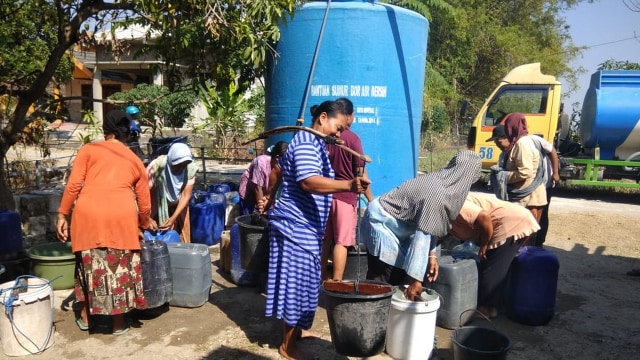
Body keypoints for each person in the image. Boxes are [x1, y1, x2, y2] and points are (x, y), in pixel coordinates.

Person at [259, 100, 370, 360]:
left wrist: (270, 194)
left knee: (305, 284)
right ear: (322, 118)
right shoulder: (308, 143)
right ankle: (288, 347)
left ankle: (296, 332)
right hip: (296, 228)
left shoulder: (314, 143)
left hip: (304, 227)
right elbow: (308, 182)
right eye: (339, 127)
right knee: (296, 286)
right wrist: (348, 186)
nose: (340, 134)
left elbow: (279, 169)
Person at [56, 110, 156, 335]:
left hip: (87, 217)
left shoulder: (89, 150)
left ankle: (86, 318)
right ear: (128, 135)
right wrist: (141, 224)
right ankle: (118, 324)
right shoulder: (134, 159)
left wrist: (62, 214)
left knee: (89, 266)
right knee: (119, 269)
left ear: (105, 131)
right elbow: (145, 203)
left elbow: (73, 186)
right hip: (121, 218)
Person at [360, 150, 481, 301]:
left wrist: (432, 255)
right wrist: (416, 279)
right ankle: (369, 313)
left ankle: (385, 315)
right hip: (381, 224)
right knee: (382, 278)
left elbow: (432, 226)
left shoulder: (444, 188)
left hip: (399, 229)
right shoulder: (437, 192)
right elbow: (421, 238)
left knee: (397, 276)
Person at [449, 192, 541, 318]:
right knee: (496, 264)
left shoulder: (455, 203)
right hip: (509, 219)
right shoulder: (446, 202)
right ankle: (499, 303)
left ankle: (488, 308)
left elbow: (484, 217)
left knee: (492, 268)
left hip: (510, 222)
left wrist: (485, 244)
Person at [321, 97, 374, 281]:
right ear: (348, 116)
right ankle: (336, 282)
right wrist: (371, 200)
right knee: (342, 242)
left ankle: (321, 276)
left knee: (325, 239)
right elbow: (360, 174)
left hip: (325, 194)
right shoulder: (353, 139)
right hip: (345, 198)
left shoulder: (326, 137)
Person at [488, 113, 547, 223]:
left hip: (529, 198)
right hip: (526, 197)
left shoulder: (522, 143)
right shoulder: (519, 142)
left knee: (524, 235)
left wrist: (502, 176)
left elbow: (525, 172)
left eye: (508, 125)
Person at [146, 142, 198, 243]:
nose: (180, 169)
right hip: (157, 203)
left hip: (180, 206)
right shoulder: (156, 166)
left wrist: (173, 218)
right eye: (177, 165)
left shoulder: (190, 169)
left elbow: (185, 196)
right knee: (154, 234)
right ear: (170, 161)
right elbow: (143, 192)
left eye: (184, 166)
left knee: (182, 238)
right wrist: (147, 217)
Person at [238, 141, 289, 215]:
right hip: (249, 194)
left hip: (265, 196)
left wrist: (268, 202)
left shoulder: (283, 168)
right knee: (250, 220)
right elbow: (257, 188)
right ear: (277, 158)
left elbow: (276, 187)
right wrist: (262, 210)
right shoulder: (260, 162)